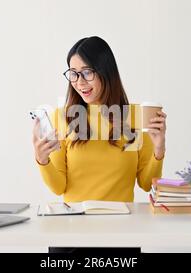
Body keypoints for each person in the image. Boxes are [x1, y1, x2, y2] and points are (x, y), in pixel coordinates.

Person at [32, 36, 167, 253]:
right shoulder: (63, 118)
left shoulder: (133, 117)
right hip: (71, 234)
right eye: (73, 74)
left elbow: (145, 183)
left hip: (120, 235)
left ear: (106, 71)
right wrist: (42, 159)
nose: (79, 82)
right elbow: (59, 187)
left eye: (87, 72)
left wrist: (159, 150)